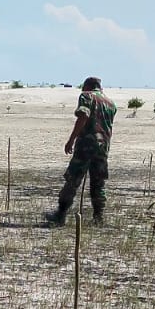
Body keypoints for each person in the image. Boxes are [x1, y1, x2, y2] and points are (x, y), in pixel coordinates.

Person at [44, 76, 117, 225]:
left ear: (87, 86)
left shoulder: (86, 96)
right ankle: (98, 217)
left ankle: (61, 214)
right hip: (103, 147)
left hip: (86, 145)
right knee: (98, 183)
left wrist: (71, 140)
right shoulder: (111, 103)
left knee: (73, 179)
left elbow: (83, 116)